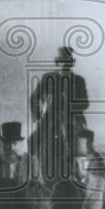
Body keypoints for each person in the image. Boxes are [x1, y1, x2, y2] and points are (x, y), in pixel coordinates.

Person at [29, 45, 89, 184]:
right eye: (62, 61)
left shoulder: (78, 80)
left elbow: (85, 103)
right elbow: (34, 98)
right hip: (50, 119)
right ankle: (35, 175)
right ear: (58, 63)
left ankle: (83, 174)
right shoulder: (48, 78)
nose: (65, 65)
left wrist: (68, 105)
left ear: (72, 63)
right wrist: (37, 117)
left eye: (68, 62)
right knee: (32, 141)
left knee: (83, 145)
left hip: (73, 119)